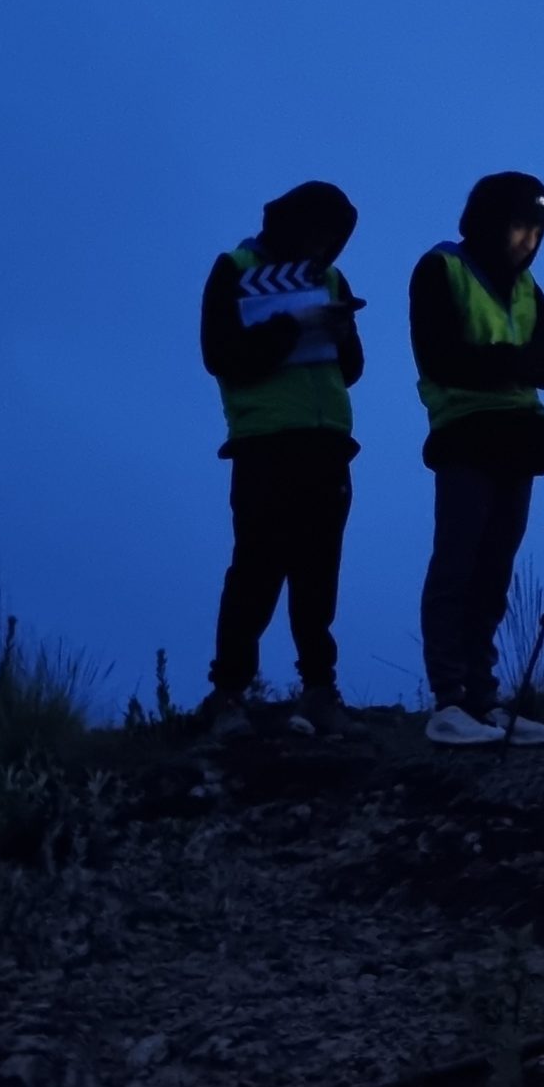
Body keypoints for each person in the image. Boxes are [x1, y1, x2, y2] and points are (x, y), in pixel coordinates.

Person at [199, 181, 365, 738]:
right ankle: (228, 695)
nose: (324, 246)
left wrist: (340, 331)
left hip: (328, 442)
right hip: (264, 444)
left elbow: (352, 369)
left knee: (319, 577)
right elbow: (220, 355)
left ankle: (319, 693)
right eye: (317, 233)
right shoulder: (235, 266)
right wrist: (291, 327)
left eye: (333, 237)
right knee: (257, 571)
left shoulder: (332, 278)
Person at [411, 173, 544, 746]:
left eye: (537, 232)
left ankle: (484, 698)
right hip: (463, 433)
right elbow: (446, 357)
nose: (530, 241)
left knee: (494, 572)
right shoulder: (442, 269)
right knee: (457, 564)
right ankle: (449, 700)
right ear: (489, 222)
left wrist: (529, 363)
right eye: (521, 227)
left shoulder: (529, 289)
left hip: (520, 438)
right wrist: (520, 361)